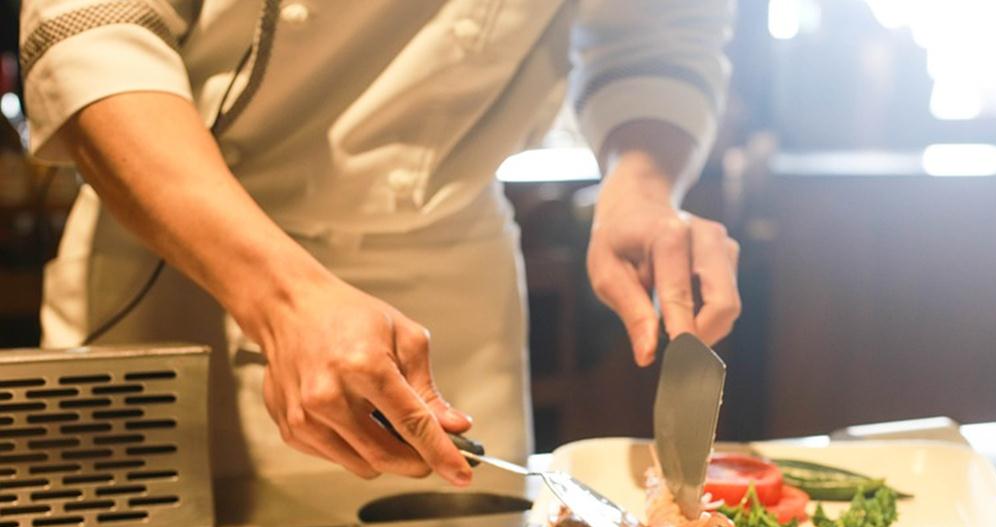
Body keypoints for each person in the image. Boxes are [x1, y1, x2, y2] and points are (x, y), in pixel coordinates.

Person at [18, 0, 741, 484]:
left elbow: (658, 35)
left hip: (450, 282)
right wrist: (281, 300)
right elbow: (94, 35)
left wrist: (642, 184)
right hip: (186, 256)